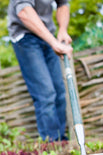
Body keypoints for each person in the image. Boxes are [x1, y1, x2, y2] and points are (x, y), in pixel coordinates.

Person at [8, 0, 73, 142]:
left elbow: (63, 4)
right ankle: (52, 144)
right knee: (45, 93)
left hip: (47, 34)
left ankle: (61, 141)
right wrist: (53, 42)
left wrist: (62, 29)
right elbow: (24, 12)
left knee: (60, 91)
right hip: (25, 35)